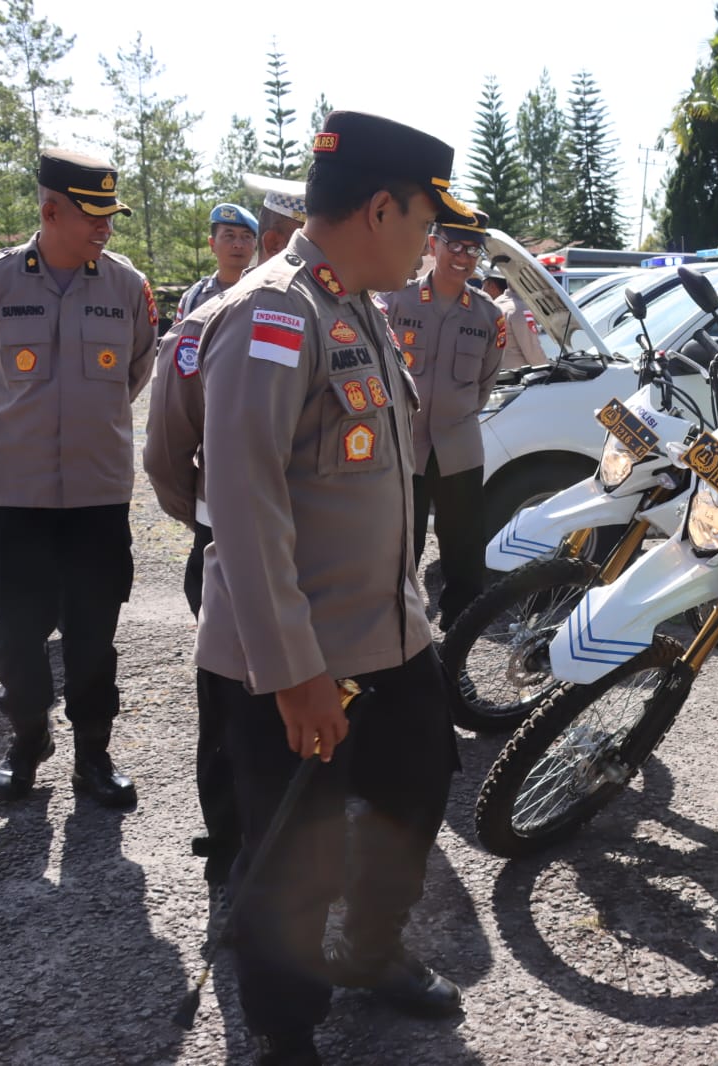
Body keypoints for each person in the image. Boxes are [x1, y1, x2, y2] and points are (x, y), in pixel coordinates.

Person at [194, 111, 465, 1065]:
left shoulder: (357, 306)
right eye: (425, 219)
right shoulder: (274, 313)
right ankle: (285, 1028)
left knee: (413, 796)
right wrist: (295, 674)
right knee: (291, 853)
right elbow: (241, 498)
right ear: (381, 206)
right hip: (299, 657)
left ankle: (371, 950)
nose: (431, 239)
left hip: (390, 636)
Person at [0, 149, 158, 807]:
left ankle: (92, 758)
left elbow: (135, 373)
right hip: (15, 496)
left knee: (94, 635)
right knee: (17, 634)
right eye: (94, 215)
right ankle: (28, 740)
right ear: (49, 210)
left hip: (96, 498)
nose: (107, 227)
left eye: (110, 215)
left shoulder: (129, 287)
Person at [142, 173, 306, 895]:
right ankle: (232, 836)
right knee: (229, 704)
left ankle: (289, 835)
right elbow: (166, 450)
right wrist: (209, 518)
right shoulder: (208, 315)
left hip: (306, 550)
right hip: (226, 548)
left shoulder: (341, 312)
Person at [381, 204, 505, 628]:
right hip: (404, 444)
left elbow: (485, 382)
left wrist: (456, 411)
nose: (464, 256)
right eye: (455, 244)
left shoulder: (489, 316)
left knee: (463, 547)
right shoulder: (398, 300)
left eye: (474, 248)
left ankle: (460, 629)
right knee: (400, 544)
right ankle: (398, 628)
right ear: (433, 244)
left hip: (459, 448)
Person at [177, 202, 258, 318]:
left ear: (255, 244)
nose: (238, 245)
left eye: (246, 237)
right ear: (212, 244)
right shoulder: (193, 298)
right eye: (229, 236)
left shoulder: (266, 295)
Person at [481, 268, 546, 370]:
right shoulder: (519, 309)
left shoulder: (496, 305)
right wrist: (547, 370)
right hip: (518, 376)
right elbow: (532, 352)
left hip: (496, 374)